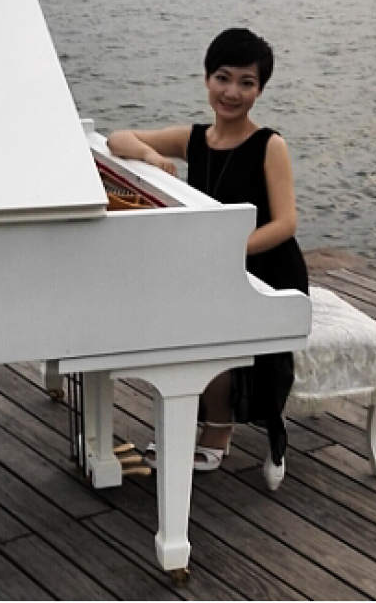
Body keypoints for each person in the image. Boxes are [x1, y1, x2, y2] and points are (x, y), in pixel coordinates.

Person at [106, 27, 308, 490]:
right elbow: (119, 137)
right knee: (167, 309)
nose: (232, 92)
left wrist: (225, 250)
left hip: (267, 266)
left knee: (206, 319)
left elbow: (286, 224)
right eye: (223, 78)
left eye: (246, 83)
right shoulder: (195, 138)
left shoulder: (269, 144)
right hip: (214, 264)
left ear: (260, 90)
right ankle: (187, 416)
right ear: (206, 79)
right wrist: (150, 156)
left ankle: (218, 428)